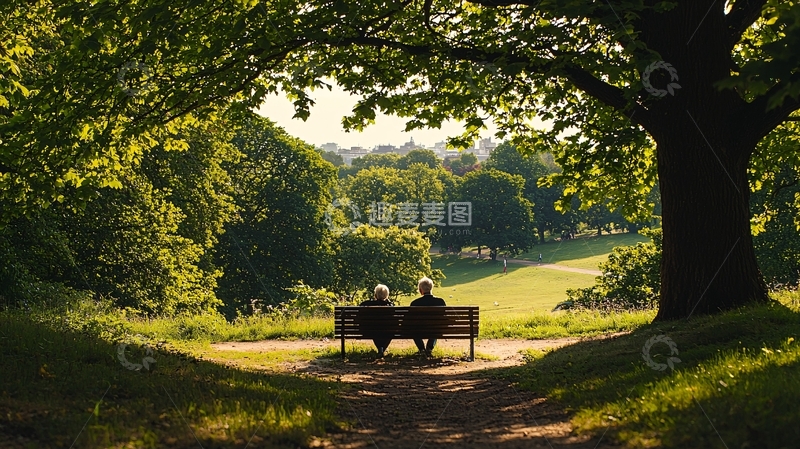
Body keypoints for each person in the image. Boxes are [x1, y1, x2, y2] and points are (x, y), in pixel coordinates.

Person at [409, 276, 446, 357]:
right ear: (431, 288)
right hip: (435, 330)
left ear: (420, 290)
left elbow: (410, 321)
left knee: (413, 329)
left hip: (419, 330)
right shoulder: (440, 302)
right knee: (436, 327)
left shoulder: (415, 303)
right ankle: (429, 348)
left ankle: (422, 349)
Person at [359, 284, 394, 358]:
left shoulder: (368, 304)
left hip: (369, 331)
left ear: (375, 295)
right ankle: (382, 349)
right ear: (387, 295)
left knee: (375, 329)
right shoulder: (390, 307)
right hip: (386, 331)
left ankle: (380, 349)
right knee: (389, 331)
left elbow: (362, 305)